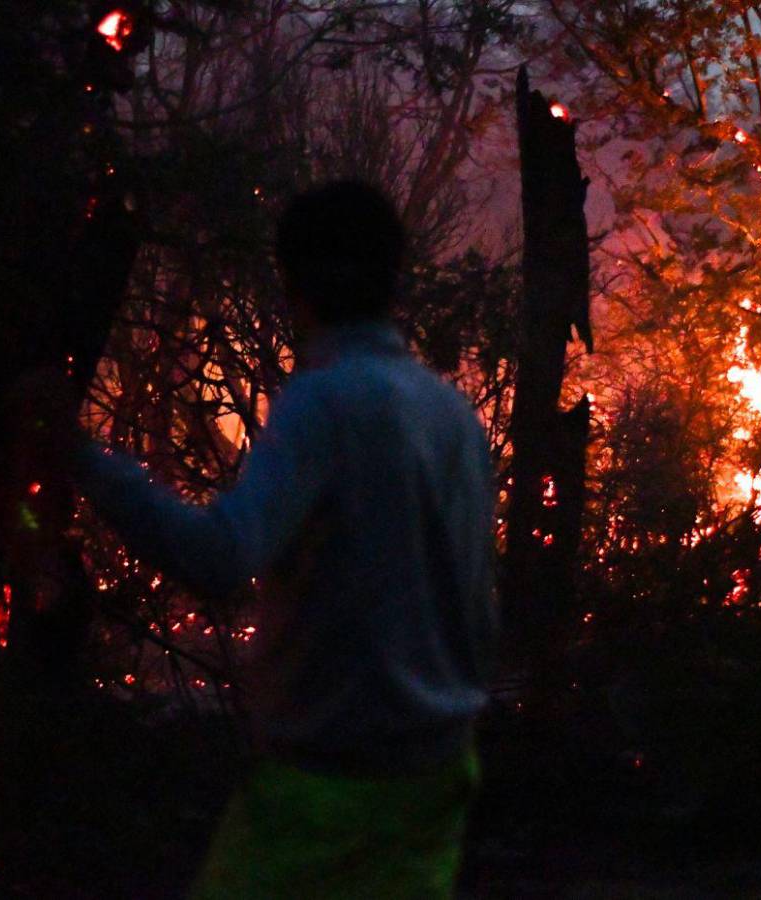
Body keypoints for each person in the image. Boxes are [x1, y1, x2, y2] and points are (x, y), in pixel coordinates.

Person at [73, 181, 498, 898]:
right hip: (437, 775)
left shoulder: (324, 401)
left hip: (325, 787)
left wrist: (78, 457)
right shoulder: (450, 412)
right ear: (396, 279)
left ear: (291, 284)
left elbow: (220, 556)